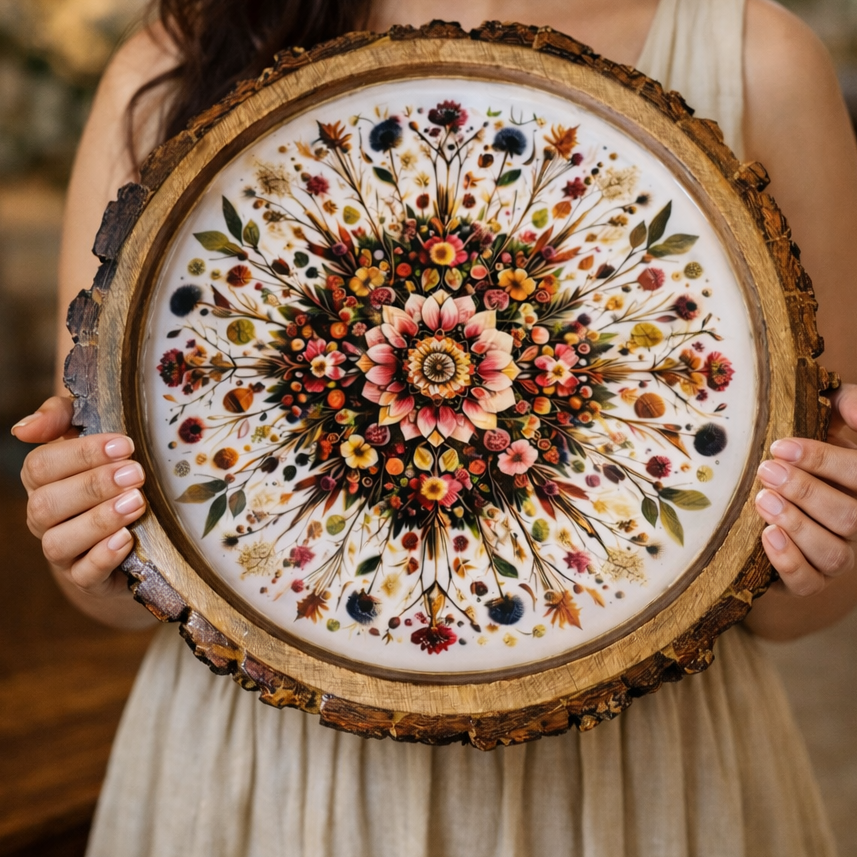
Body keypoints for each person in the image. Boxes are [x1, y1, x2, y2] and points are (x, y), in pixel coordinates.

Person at [12, 0, 857, 853]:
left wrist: (816, 537)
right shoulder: (175, 58)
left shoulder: (761, 58)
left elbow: (791, 600)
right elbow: (119, 589)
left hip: (637, 789)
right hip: (265, 786)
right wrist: (88, 533)